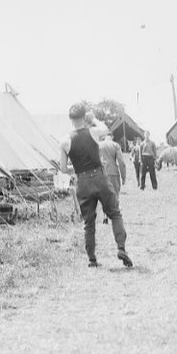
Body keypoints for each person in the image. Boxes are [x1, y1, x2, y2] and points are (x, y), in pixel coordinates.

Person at [59, 102, 132, 268]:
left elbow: (63, 169)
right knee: (114, 213)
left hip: (82, 182)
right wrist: (94, 118)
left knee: (89, 223)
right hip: (99, 177)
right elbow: (106, 129)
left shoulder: (64, 141)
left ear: (70, 119)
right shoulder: (93, 132)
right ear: (84, 117)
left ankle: (92, 259)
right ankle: (121, 248)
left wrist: (77, 169)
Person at [99, 132, 127, 223]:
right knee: (115, 195)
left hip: (102, 173)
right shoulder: (115, 145)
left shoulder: (99, 145)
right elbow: (121, 163)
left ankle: (105, 216)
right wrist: (123, 177)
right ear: (112, 137)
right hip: (113, 173)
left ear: (104, 137)